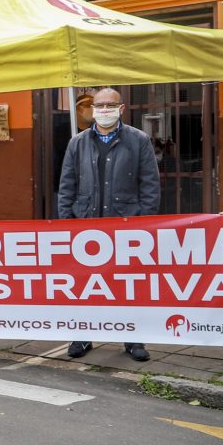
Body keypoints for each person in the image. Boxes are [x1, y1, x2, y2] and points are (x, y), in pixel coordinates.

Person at [56, 87, 159, 363]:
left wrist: (143, 224)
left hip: (127, 224)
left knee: (128, 283)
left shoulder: (139, 140)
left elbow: (150, 187)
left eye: (109, 105)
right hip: (86, 225)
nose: (103, 110)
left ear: (121, 109)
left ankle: (133, 338)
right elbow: (67, 186)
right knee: (86, 283)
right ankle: (83, 334)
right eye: (98, 105)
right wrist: (66, 225)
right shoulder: (77, 143)